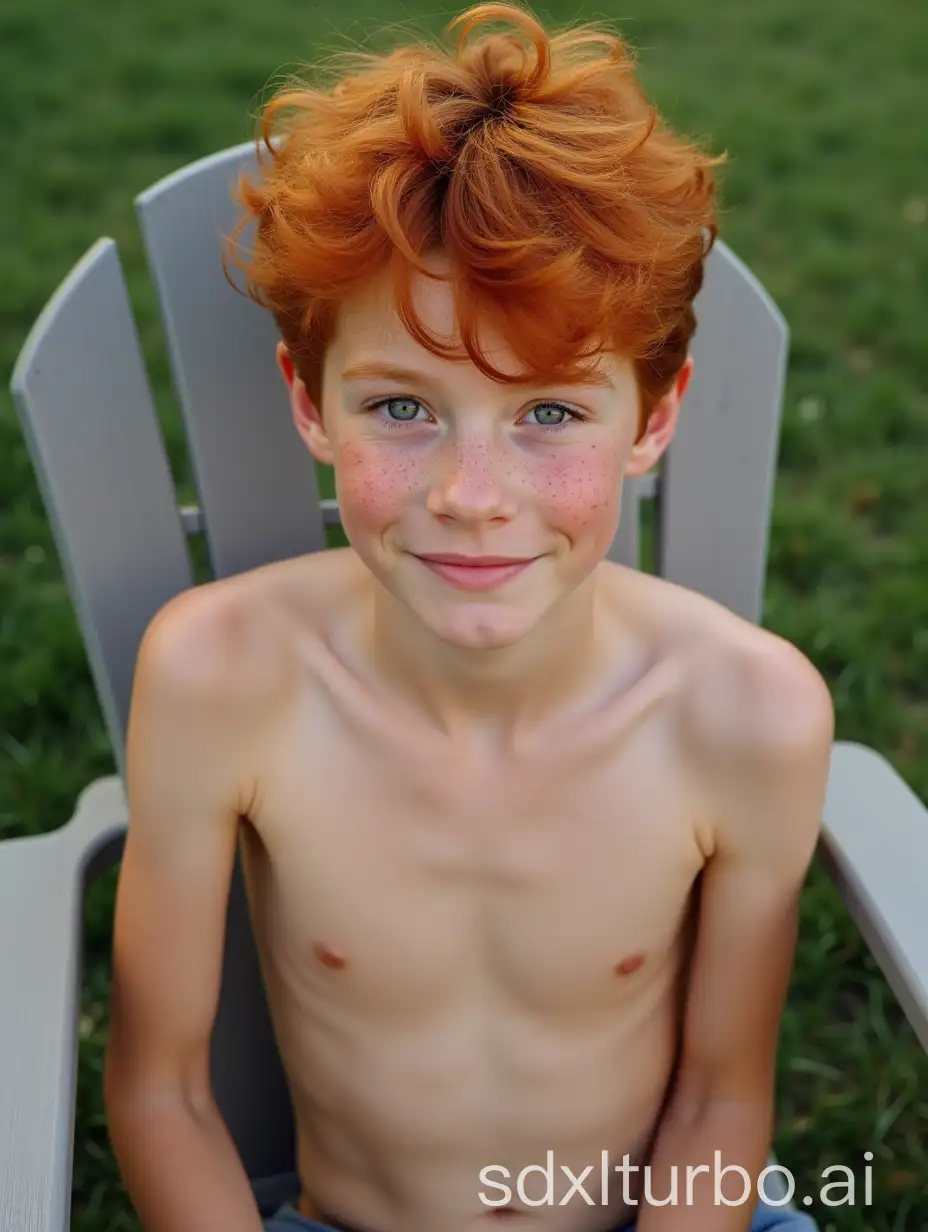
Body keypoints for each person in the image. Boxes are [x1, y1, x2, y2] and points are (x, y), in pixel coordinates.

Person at [103, 4, 834, 1230]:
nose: (469, 496)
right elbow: (162, 1085)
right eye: (400, 408)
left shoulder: (744, 713)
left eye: (549, 414)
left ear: (652, 420)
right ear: (310, 401)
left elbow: (718, 1101)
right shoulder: (222, 676)